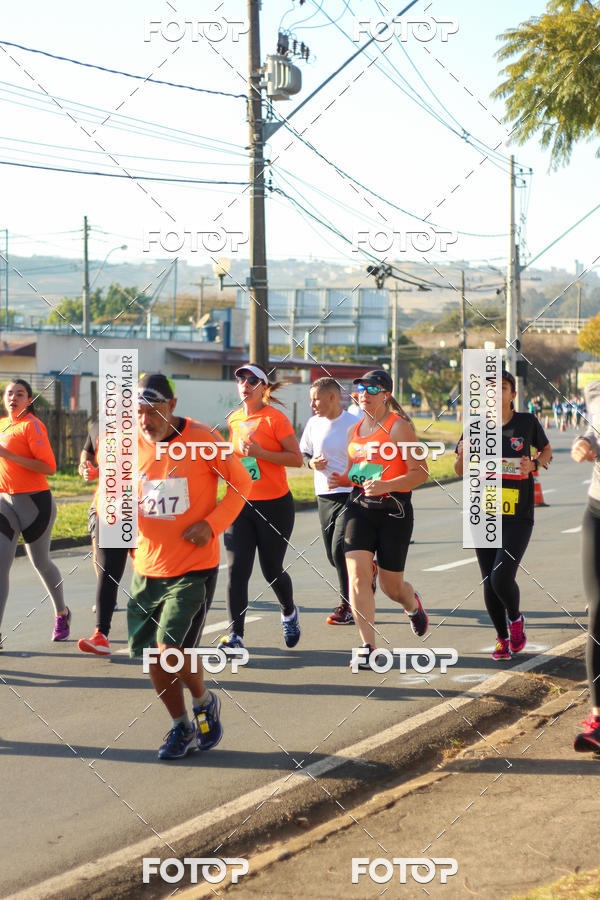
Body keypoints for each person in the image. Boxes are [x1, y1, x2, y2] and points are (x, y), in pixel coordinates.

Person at [128, 373, 252, 759]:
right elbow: (114, 494)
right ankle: (183, 725)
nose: (145, 419)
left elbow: (241, 483)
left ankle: (202, 700)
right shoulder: (129, 444)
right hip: (148, 566)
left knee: (170, 648)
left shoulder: (201, 439)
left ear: (173, 406)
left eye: (154, 410)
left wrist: (212, 525)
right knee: (155, 657)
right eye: (139, 411)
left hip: (194, 566)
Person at [328, 369, 429, 665]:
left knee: (391, 587)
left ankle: (411, 605)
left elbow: (420, 473)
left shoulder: (399, 428)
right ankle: (367, 646)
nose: (364, 394)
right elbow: (355, 472)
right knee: (357, 575)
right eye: (360, 389)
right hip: (360, 507)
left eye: (372, 389)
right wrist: (340, 478)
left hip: (394, 511)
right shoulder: (353, 431)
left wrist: (386, 485)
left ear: (386, 395)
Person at [455, 370, 552, 660]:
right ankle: (502, 638)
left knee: (501, 577)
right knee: (488, 580)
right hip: (483, 511)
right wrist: (462, 454)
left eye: (504, 387)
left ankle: (515, 618)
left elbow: (546, 451)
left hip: (517, 513)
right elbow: (459, 471)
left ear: (512, 394)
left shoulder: (526, 422)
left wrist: (533, 464)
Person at [219, 365, 303, 653]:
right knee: (236, 570)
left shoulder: (275, 419)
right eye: (240, 379)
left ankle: (289, 612)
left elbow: (296, 459)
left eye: (252, 380)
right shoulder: (234, 419)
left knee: (271, 570)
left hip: (275, 505)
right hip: (240, 503)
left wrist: (261, 454)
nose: (244, 384)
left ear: (263, 387)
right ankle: (236, 637)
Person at [0, 379, 70, 647]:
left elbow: (49, 467)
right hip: (4, 501)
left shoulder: (32, 426)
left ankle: (61, 613)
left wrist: (7, 454)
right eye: (9, 393)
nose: (13, 398)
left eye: (20, 394)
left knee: (40, 563)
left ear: (29, 400)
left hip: (34, 504)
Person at [300, 377, 357, 626]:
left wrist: (348, 480)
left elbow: (370, 462)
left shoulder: (355, 424)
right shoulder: (313, 424)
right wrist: (312, 463)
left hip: (351, 495)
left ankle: (347, 605)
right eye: (311, 399)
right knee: (332, 557)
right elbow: (305, 454)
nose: (312, 404)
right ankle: (369, 570)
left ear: (332, 397)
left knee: (339, 548)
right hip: (324, 495)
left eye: (316, 398)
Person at [76, 421, 129, 655]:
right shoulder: (99, 426)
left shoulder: (145, 426)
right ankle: (101, 634)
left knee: (154, 572)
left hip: (142, 505)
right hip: (109, 506)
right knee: (107, 570)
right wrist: (84, 465)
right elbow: (87, 449)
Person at [571, 380, 600, 751]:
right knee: (599, 609)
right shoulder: (596, 391)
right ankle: (599, 716)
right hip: (598, 509)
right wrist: (588, 443)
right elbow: (596, 429)